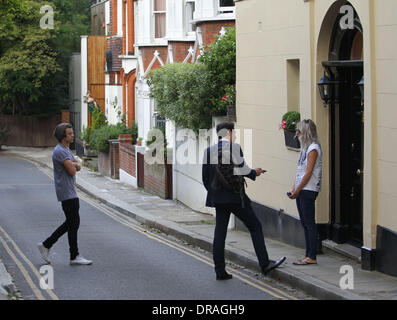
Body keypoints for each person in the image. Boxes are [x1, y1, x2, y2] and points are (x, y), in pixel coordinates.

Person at [202, 122, 286, 280]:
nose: (236, 135)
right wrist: (256, 173)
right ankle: (264, 263)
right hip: (236, 197)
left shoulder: (208, 151)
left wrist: (216, 194)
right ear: (229, 133)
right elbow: (242, 169)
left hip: (219, 199)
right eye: (234, 132)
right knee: (255, 226)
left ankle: (220, 271)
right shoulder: (235, 148)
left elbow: (205, 179)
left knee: (219, 234)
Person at [38, 123, 92, 266]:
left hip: (70, 191)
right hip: (66, 192)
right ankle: (49, 246)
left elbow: (78, 166)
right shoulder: (60, 151)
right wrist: (74, 164)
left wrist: (73, 163)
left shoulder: (66, 150)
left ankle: (62, 250)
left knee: (72, 223)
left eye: (72, 133)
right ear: (63, 136)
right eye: (69, 133)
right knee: (72, 223)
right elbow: (73, 170)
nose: (72, 135)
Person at [288, 119, 322, 266]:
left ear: (306, 132)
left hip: (309, 189)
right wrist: (294, 187)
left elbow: (308, 173)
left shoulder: (313, 148)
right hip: (302, 189)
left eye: (299, 131)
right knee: (305, 223)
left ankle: (312, 255)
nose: (296, 134)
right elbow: (300, 171)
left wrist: (299, 189)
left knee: (309, 223)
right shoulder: (305, 148)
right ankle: (308, 254)